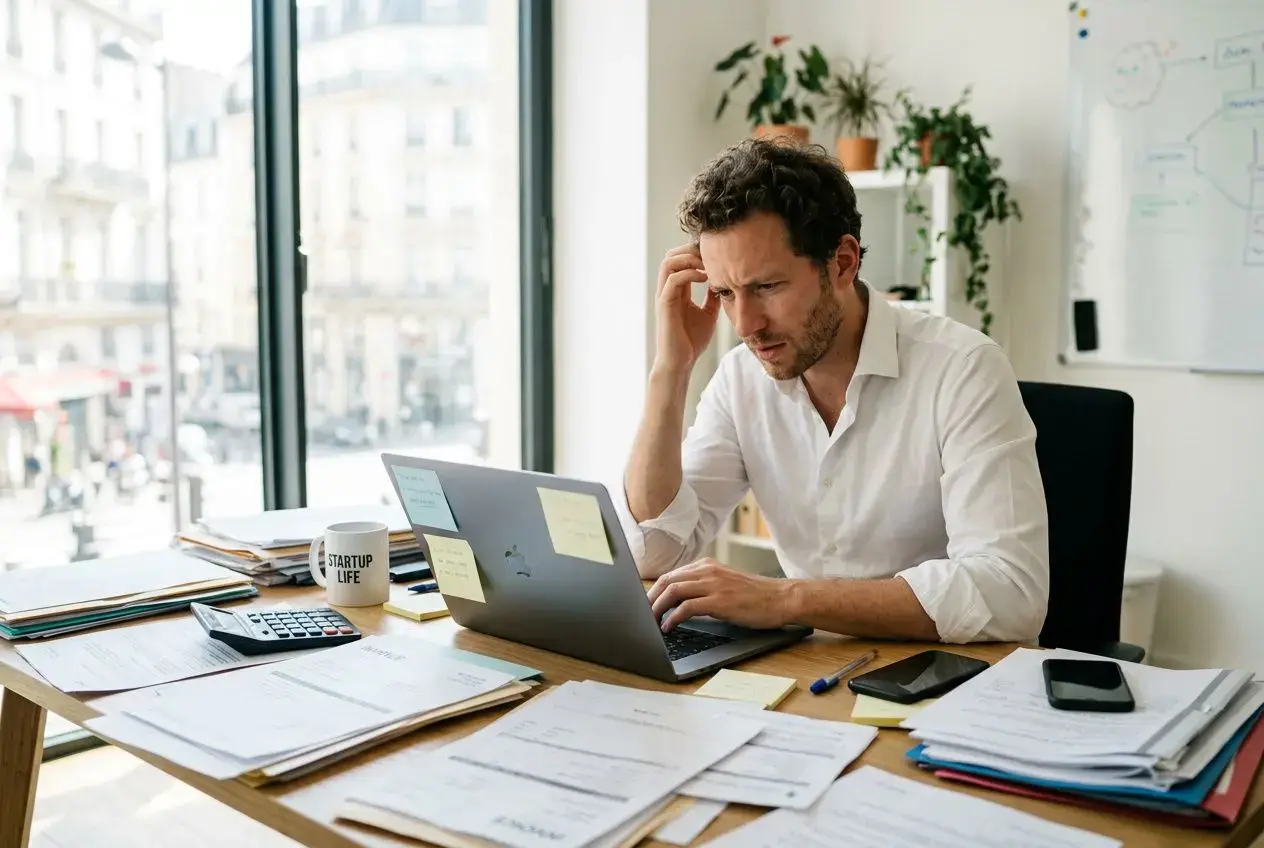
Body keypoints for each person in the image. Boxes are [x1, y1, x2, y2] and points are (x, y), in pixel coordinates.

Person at [619, 138, 1049, 645]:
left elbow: (1010, 592)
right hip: (809, 675)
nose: (745, 324)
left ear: (842, 263)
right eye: (724, 293)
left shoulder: (962, 369)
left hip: (944, 681)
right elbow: (654, 552)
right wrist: (671, 369)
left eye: (767, 287)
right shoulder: (741, 378)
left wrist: (786, 599)